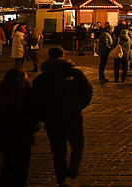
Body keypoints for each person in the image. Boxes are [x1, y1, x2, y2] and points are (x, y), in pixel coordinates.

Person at [32, 48, 93, 185]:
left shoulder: (42, 78)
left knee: (58, 150)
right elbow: (87, 91)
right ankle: (73, 168)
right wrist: (78, 106)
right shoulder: (75, 73)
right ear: (63, 55)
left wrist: (41, 116)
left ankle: (61, 178)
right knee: (78, 144)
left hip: (52, 119)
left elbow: (35, 99)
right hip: (72, 116)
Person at [0, 68, 38, 187]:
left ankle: (4, 182)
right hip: (23, 134)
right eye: (25, 76)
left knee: (8, 161)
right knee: (22, 163)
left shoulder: (1, 92)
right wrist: (33, 124)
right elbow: (35, 111)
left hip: (5, 133)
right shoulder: (27, 92)